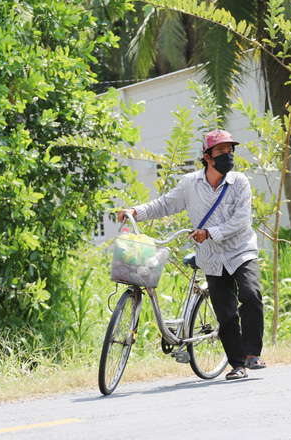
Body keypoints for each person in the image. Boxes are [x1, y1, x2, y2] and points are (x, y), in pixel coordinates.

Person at [117, 129, 266, 380]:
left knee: (251, 295)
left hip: (241, 250)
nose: (227, 155)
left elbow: (241, 220)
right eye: (221, 151)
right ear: (207, 157)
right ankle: (238, 364)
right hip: (210, 256)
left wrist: (209, 232)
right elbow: (164, 204)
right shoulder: (190, 185)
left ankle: (253, 354)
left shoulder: (239, 182)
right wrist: (134, 211)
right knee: (225, 311)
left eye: (230, 150)